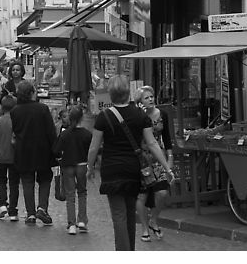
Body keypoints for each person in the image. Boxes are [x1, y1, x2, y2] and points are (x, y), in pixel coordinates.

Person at [86, 75, 174, 251]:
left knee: (119, 215)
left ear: (111, 94)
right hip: (133, 169)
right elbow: (152, 143)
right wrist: (166, 167)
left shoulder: (104, 117)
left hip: (112, 169)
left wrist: (89, 167)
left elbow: (94, 147)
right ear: (128, 94)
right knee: (129, 213)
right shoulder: (140, 115)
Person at [10, 80, 57, 226]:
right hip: (42, 149)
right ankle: (42, 207)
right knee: (45, 179)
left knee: (27, 181)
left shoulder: (15, 111)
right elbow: (51, 131)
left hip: (23, 150)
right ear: (31, 93)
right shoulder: (42, 109)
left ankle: (30, 213)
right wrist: (55, 148)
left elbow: (15, 131)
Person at [134, 86, 173, 241]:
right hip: (142, 159)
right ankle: (144, 227)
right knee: (142, 196)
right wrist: (140, 116)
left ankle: (153, 220)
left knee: (162, 192)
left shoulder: (161, 114)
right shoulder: (137, 116)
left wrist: (170, 156)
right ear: (140, 102)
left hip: (158, 157)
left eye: (151, 96)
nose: (150, 100)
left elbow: (167, 137)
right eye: (146, 98)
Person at [54, 105, 92, 235]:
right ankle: (82, 220)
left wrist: (60, 158)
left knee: (70, 195)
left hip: (67, 165)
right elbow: (91, 151)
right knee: (82, 192)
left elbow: (56, 150)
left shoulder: (65, 134)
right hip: (82, 165)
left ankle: (71, 224)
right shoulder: (87, 134)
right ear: (82, 118)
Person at [0, 95, 20, 221]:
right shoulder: (16, 121)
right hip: (14, 156)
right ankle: (13, 210)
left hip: (0, 156)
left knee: (1, 180)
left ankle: (2, 204)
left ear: (1, 106)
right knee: (14, 183)